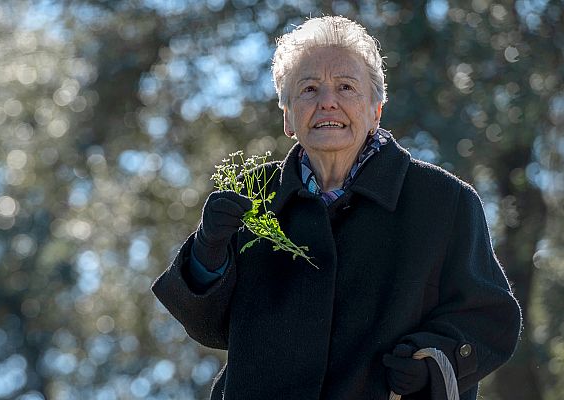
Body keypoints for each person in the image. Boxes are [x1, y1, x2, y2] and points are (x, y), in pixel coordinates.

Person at [152, 15, 521, 400]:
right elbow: (208, 328)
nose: (327, 101)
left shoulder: (444, 201)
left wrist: (433, 362)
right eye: (309, 89)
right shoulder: (253, 193)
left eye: (346, 87)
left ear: (376, 110)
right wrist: (207, 253)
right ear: (288, 117)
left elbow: (491, 319)